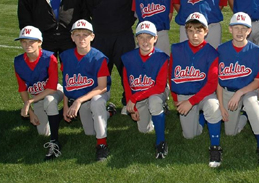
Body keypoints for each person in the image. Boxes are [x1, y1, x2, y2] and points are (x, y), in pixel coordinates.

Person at [216, 12, 259, 165]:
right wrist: (221, 106)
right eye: (236, 28)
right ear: (230, 29)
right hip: (228, 91)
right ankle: (245, 117)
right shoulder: (221, 50)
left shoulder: (256, 51)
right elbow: (219, 81)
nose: (240, 32)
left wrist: (240, 92)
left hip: (248, 91)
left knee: (252, 102)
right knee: (230, 133)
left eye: (244, 28)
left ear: (249, 31)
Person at [87, 0, 137, 114]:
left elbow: (136, 10)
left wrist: (123, 24)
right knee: (101, 72)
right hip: (100, 37)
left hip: (123, 35)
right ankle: (100, 104)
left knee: (127, 70)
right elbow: (88, 10)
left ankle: (128, 102)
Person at [169, 12, 223, 167]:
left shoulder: (212, 52)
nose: (194, 35)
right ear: (186, 31)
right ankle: (201, 119)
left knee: (213, 106)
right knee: (189, 136)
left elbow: (212, 84)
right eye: (191, 30)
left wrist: (191, 102)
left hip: (204, 94)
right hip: (184, 95)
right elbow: (171, 75)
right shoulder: (177, 49)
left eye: (199, 30)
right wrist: (175, 99)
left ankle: (215, 147)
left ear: (206, 32)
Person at [59, 19, 116, 161]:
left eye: (86, 34)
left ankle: (102, 145)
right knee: (90, 132)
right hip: (82, 97)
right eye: (77, 34)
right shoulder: (66, 56)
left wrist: (78, 101)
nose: (81, 38)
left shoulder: (98, 58)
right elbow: (67, 83)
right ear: (72, 37)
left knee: (96, 103)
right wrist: (65, 106)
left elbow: (102, 87)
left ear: (92, 37)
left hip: (98, 93)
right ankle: (108, 112)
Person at [13, 26, 64, 160]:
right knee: (43, 132)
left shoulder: (49, 57)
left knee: (50, 102)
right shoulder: (18, 61)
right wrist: (30, 112)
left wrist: (30, 102)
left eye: (31, 41)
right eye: (24, 41)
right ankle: (64, 113)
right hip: (37, 97)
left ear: (39, 42)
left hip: (55, 91)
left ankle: (54, 142)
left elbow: (52, 88)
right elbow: (22, 88)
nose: (27, 45)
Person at [122, 21, 169, 159]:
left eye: (149, 37)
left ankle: (161, 142)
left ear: (155, 38)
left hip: (157, 92)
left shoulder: (161, 57)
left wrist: (134, 99)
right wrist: (133, 107)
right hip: (139, 94)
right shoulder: (129, 58)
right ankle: (157, 114)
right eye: (141, 37)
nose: (145, 41)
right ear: (136, 39)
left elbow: (159, 87)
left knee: (154, 101)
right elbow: (127, 84)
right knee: (144, 129)